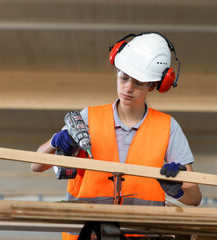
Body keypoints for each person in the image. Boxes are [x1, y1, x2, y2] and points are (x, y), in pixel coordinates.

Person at [31, 32, 202, 239]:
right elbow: (36, 165)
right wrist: (55, 141)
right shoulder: (88, 117)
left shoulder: (168, 128)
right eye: (124, 77)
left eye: (138, 83)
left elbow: (194, 198)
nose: (128, 88)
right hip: (87, 235)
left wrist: (177, 191)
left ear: (154, 85)